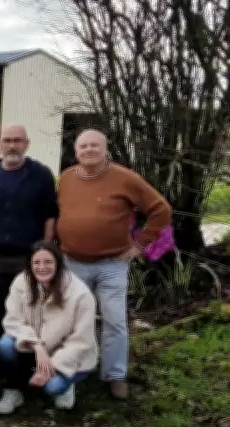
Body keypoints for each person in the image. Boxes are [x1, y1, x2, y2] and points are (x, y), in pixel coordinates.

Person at [57, 129, 171, 400]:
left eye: (94, 145)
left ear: (105, 149)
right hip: (73, 262)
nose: (89, 150)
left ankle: (115, 375)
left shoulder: (125, 178)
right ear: (76, 152)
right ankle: (72, 368)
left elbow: (161, 210)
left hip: (112, 264)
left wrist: (140, 245)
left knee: (115, 321)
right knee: (71, 320)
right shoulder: (67, 179)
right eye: (83, 146)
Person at [0, 241, 98, 413]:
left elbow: (81, 342)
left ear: (58, 263)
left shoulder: (80, 294)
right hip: (35, 348)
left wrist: (53, 366)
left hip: (68, 356)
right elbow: (13, 321)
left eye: (48, 262)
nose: (42, 267)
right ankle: (13, 390)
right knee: (5, 345)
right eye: (37, 262)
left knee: (52, 387)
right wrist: (37, 346)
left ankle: (66, 385)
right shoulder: (21, 282)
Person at [0, 125, 58, 341]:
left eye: (17, 141)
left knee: (29, 307)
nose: (12, 146)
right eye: (7, 141)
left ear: (26, 144)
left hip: (28, 256)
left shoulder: (41, 175)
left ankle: (26, 358)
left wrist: (44, 250)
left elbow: (51, 214)